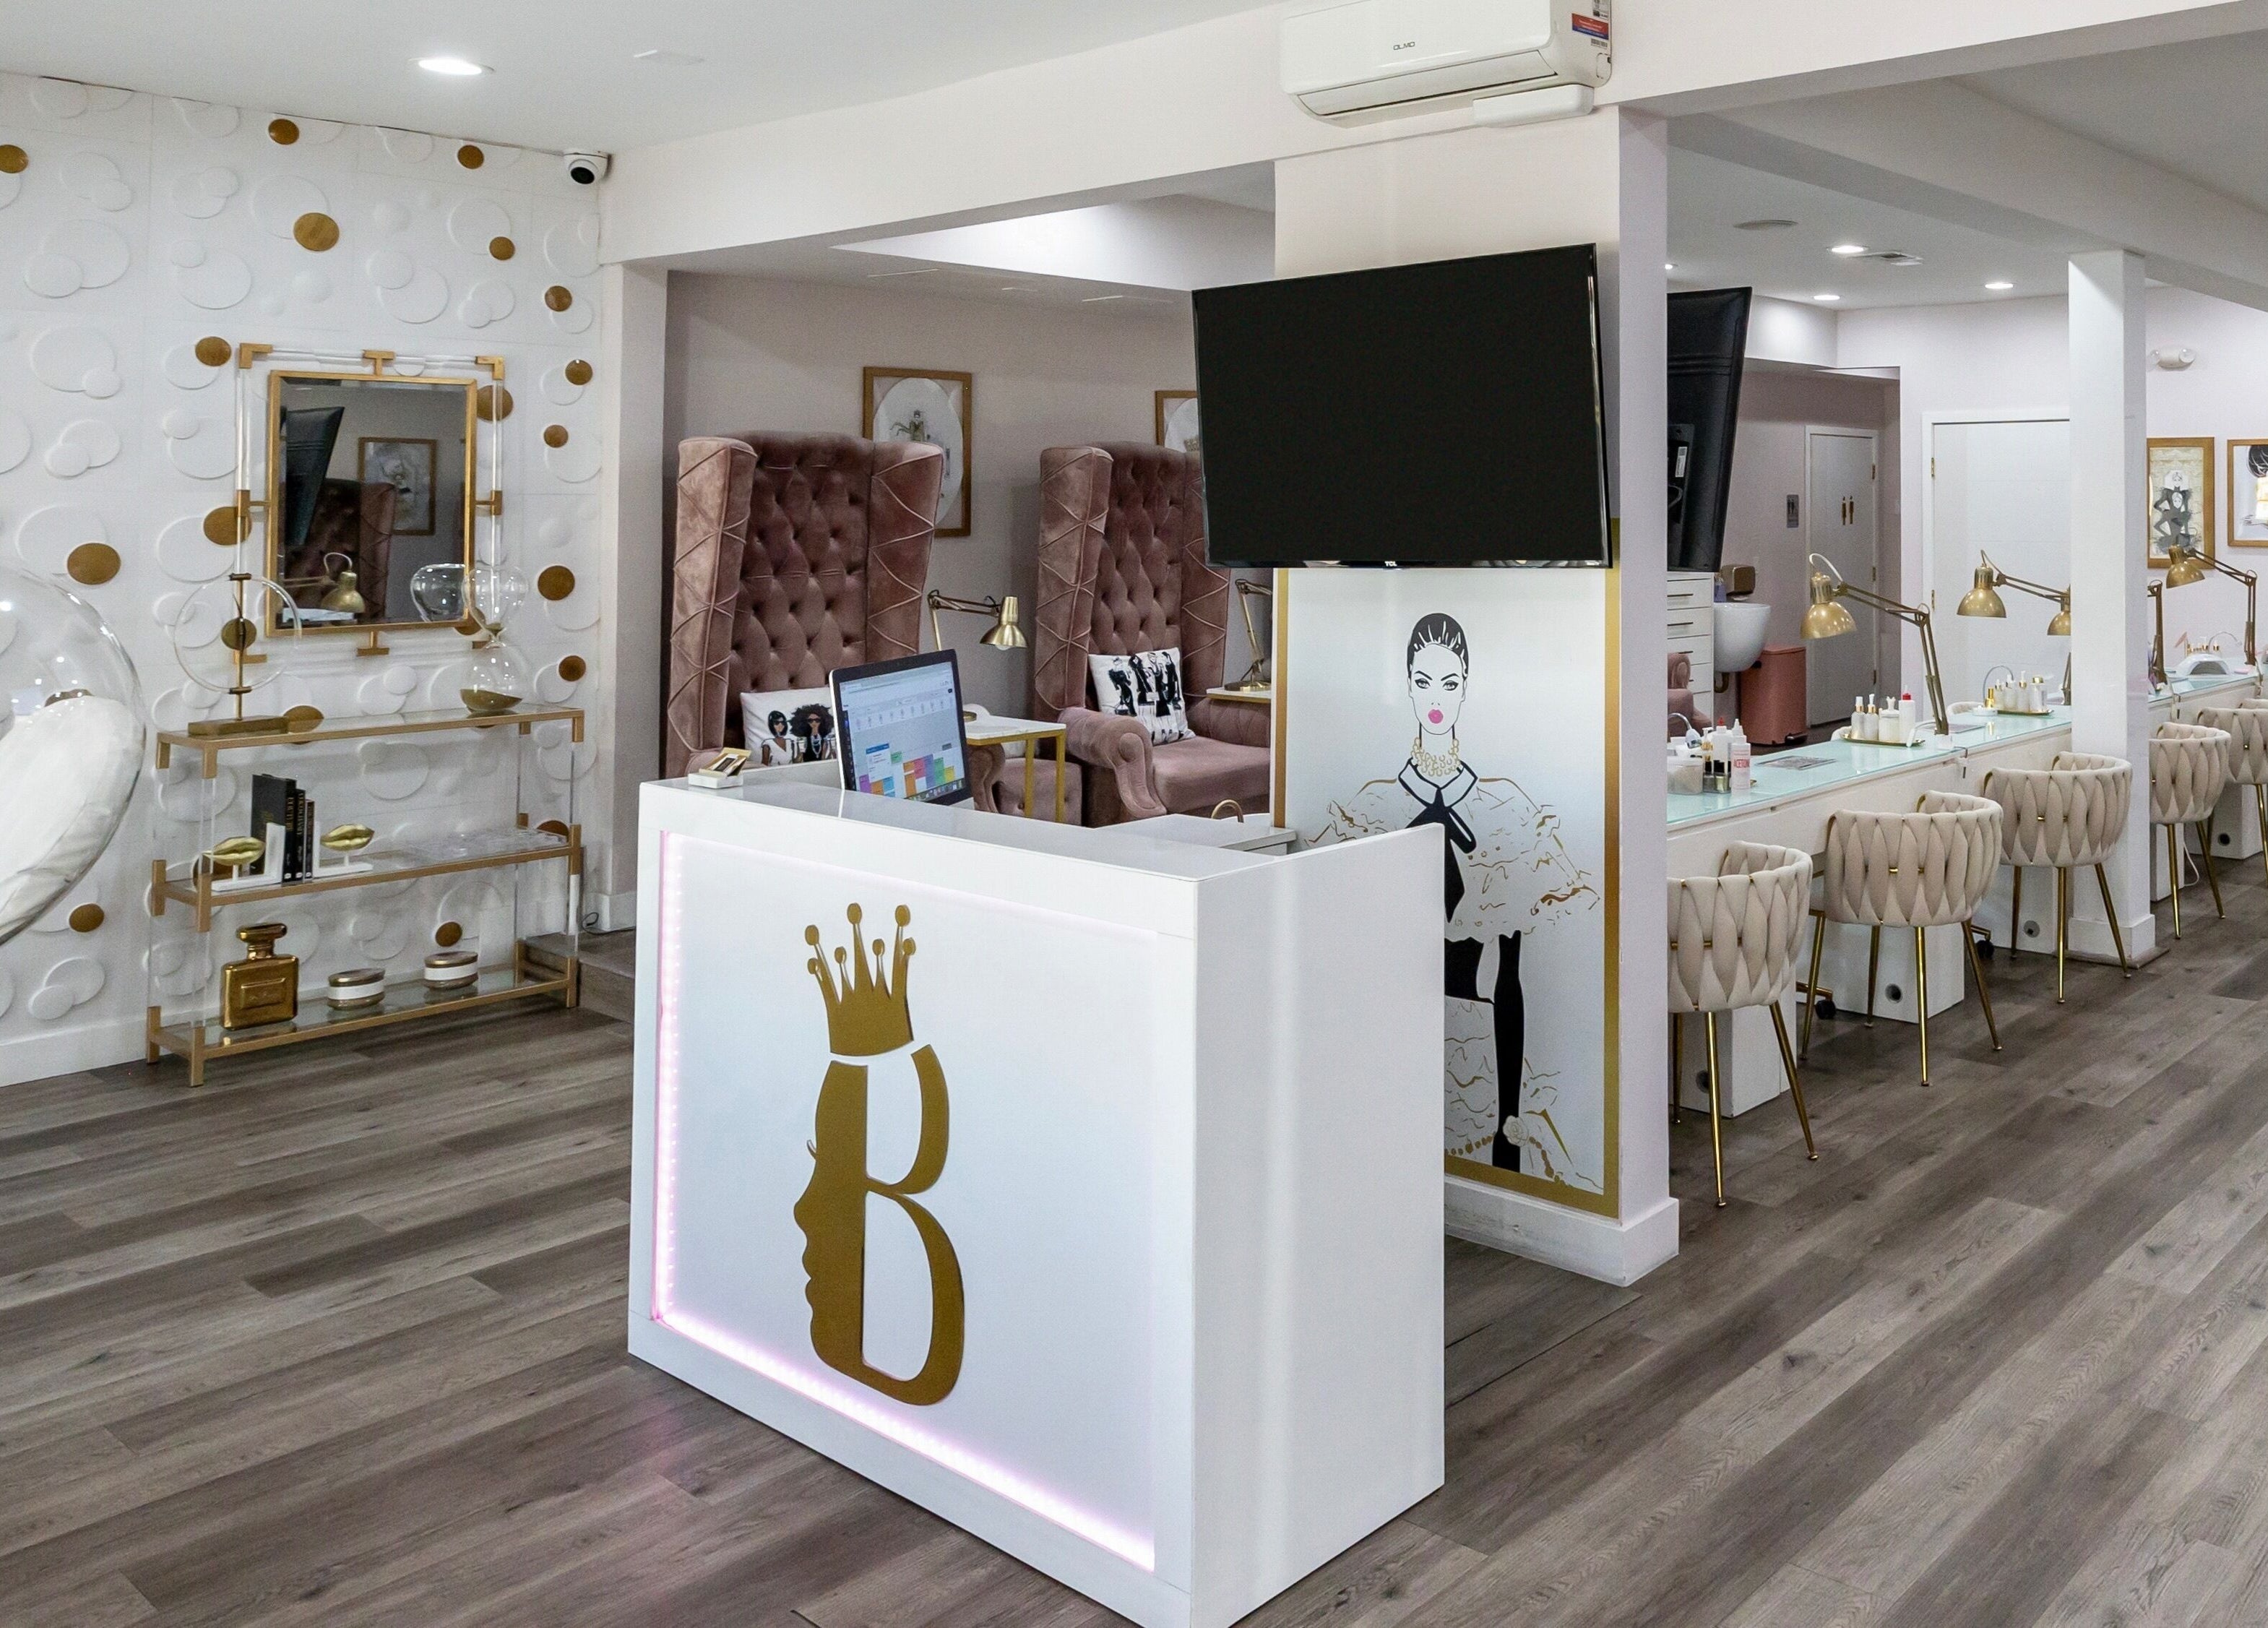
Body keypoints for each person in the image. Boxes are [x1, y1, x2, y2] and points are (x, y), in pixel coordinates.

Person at [1308, 613, 1598, 1191]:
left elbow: (1512, 977)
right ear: (1406, 684)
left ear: (1465, 684)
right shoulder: (1373, 808)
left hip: (1487, 1063)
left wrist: (1507, 1122)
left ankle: (1505, 1139)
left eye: (1447, 683)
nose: (1435, 698)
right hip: (1392, 1039)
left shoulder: (1507, 808)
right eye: (1422, 681)